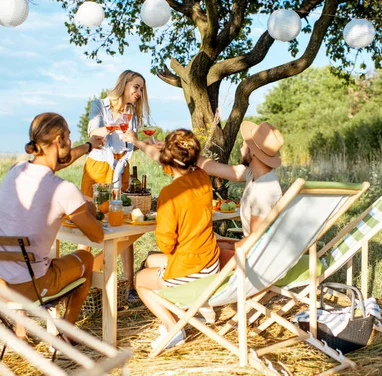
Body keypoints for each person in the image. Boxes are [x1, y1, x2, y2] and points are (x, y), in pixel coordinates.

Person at [0, 112, 105, 337]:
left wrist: (88, 146)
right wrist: (89, 207)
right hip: (28, 288)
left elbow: (52, 165)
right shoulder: (63, 189)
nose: (70, 140)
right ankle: (65, 334)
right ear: (59, 140)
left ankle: (21, 328)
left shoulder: (15, 171)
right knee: (86, 258)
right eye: (68, 136)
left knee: (30, 258)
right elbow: (97, 236)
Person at [125, 129, 220, 350]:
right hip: (210, 262)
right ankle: (195, 310)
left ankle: (173, 327)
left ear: (169, 160)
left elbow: (166, 243)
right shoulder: (202, 177)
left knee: (141, 280)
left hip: (190, 269)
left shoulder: (170, 193)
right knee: (151, 261)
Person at [81, 70, 150, 302]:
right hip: (98, 169)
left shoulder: (132, 112)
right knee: (90, 222)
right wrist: (114, 128)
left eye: (141, 89)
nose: (139, 93)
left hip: (123, 168)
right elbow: (94, 132)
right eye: (136, 87)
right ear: (124, 83)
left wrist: (143, 142)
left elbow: (131, 143)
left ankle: (130, 286)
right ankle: (81, 280)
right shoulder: (99, 105)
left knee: (124, 226)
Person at [198, 121, 284, 265]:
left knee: (192, 256)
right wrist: (180, 154)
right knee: (198, 245)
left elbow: (256, 243)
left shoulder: (264, 191)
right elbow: (213, 167)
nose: (241, 147)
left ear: (253, 152)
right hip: (251, 250)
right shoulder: (255, 175)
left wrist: (227, 247)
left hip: (258, 262)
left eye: (245, 144)